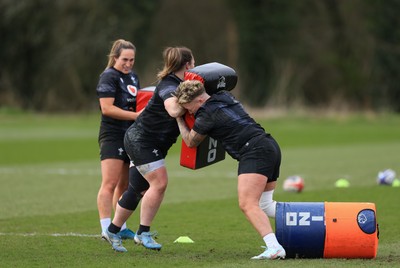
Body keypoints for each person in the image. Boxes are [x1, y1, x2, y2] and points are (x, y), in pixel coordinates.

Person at [173, 80, 286, 260]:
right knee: (265, 205)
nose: (189, 112)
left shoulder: (206, 114)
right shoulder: (224, 96)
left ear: (200, 101)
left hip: (253, 151)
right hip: (269, 145)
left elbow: (190, 141)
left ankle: (274, 247)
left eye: (189, 107)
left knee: (247, 203)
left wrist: (178, 118)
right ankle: (312, 218)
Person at [102, 46, 195, 252]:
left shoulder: (182, 84)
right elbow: (173, 109)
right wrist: (191, 99)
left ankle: (112, 230)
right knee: (159, 183)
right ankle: (143, 233)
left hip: (150, 143)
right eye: (193, 63)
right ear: (187, 64)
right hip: (141, 141)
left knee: (136, 189)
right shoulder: (169, 84)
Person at [96, 39, 142, 241]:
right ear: (115, 57)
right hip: (113, 135)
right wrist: (136, 116)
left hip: (129, 135)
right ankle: (106, 228)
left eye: (132, 60)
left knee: (124, 186)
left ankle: (120, 226)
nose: (129, 63)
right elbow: (107, 108)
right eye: (125, 59)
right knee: (109, 183)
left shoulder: (133, 77)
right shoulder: (108, 77)